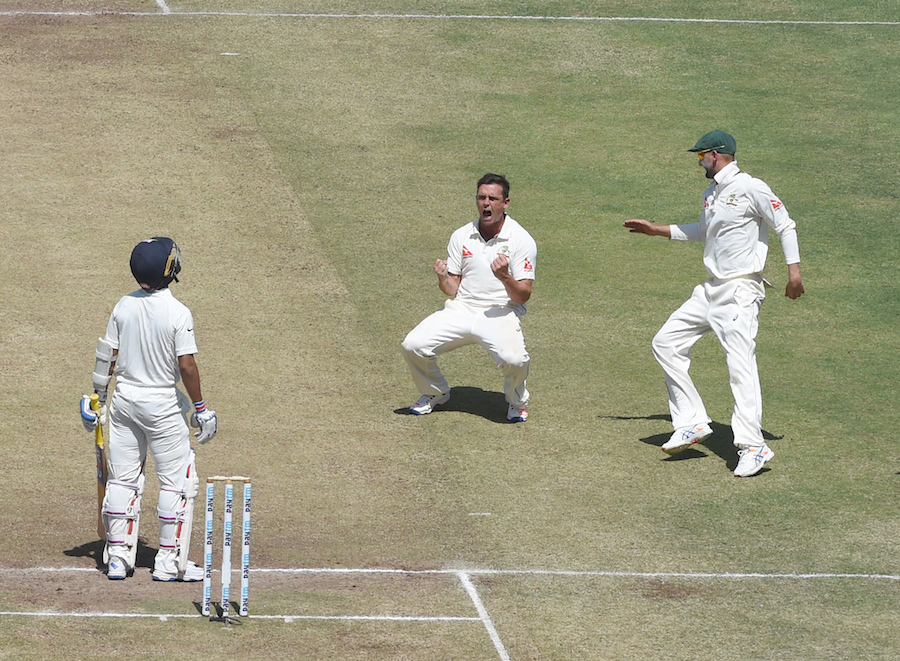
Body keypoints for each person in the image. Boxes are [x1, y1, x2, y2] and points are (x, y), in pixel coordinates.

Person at [624, 130, 804, 477]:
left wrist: (793, 274)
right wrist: (656, 230)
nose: (699, 162)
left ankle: (754, 446)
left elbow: (785, 224)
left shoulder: (751, 187)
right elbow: (703, 232)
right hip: (709, 290)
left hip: (741, 290)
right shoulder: (711, 194)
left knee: (740, 366)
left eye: (700, 156)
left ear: (716, 154)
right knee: (665, 342)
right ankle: (692, 422)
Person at [79, 237, 218, 580]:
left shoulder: (123, 306)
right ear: (168, 270)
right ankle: (170, 564)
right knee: (177, 482)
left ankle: (117, 557)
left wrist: (97, 397)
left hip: (125, 404)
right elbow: (186, 365)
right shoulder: (177, 312)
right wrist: (200, 408)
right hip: (162, 407)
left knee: (123, 479)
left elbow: (107, 355)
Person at [402, 173, 537, 422]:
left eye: (493, 198)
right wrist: (443, 277)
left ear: (505, 203)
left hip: (501, 311)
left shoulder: (521, 240)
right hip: (462, 308)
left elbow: (522, 296)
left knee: (515, 360)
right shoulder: (461, 235)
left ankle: (517, 402)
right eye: (481, 197)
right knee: (413, 345)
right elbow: (452, 288)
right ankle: (435, 393)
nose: (486, 203)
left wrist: (505, 277)